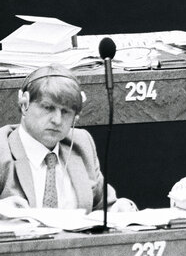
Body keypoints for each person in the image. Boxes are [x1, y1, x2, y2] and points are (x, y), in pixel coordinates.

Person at [0, 64, 135, 212]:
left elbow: (104, 206)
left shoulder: (81, 143)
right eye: (48, 108)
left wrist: (121, 208)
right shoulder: (2, 148)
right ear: (25, 104)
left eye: (65, 112)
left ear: (75, 118)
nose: (57, 120)